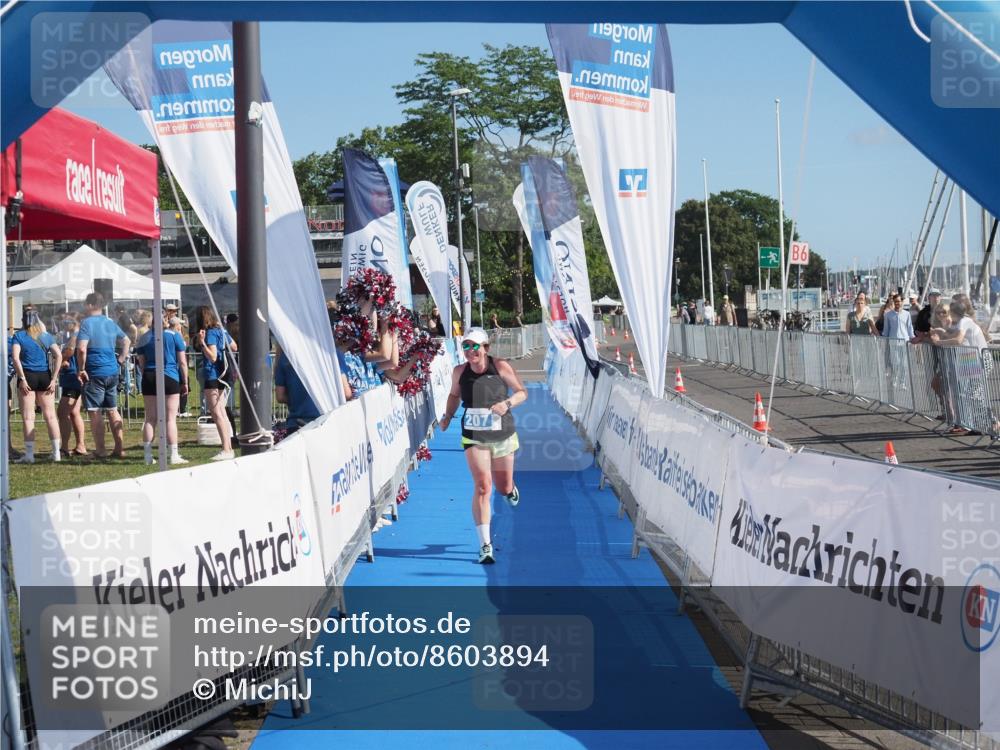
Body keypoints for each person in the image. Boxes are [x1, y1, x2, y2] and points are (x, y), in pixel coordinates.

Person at [439, 327, 527, 565]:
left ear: (485, 347)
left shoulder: (500, 367)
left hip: (502, 434)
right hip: (474, 434)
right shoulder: (460, 371)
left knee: (502, 486)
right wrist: (447, 415)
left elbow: (522, 393)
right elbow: (454, 395)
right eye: (466, 346)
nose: (470, 351)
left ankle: (510, 490)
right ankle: (485, 545)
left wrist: (507, 403)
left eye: (474, 346)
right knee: (482, 487)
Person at [77, 292, 129, 459]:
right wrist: (120, 359)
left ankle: (100, 450)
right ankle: (119, 448)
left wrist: (81, 368)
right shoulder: (110, 322)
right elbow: (127, 340)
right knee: (113, 410)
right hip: (112, 371)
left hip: (95, 372)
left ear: (90, 305)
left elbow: (82, 349)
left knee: (95, 411)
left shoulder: (86, 323)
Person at [10, 307, 63, 463]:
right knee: (51, 416)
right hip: (45, 376)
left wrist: (22, 378)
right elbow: (58, 355)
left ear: (23, 321)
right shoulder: (46, 336)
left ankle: (29, 455)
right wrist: (54, 379)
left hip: (27, 376)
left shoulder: (18, 336)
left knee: (28, 417)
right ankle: (56, 453)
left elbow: (15, 357)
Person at [135, 318, 189, 465]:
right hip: (170, 376)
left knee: (150, 418)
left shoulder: (144, 337)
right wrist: (185, 381)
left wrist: (147, 373)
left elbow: (141, 362)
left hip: (149, 376)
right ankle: (174, 455)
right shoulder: (174, 335)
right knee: (170, 418)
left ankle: (147, 456)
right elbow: (183, 362)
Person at [193, 306, 237, 460]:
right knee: (222, 411)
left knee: (216, 412)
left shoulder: (210, 333)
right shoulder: (222, 331)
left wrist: (202, 343)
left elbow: (212, 356)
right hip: (223, 374)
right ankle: (229, 446)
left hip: (213, 374)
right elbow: (234, 346)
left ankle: (226, 448)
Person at [57, 313, 89, 457]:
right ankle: (80, 446)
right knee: (74, 413)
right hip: (71, 377)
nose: (64, 323)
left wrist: (61, 358)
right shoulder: (74, 335)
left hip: (72, 378)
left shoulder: (76, 335)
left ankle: (64, 447)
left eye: (66, 321)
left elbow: (69, 351)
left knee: (62, 412)